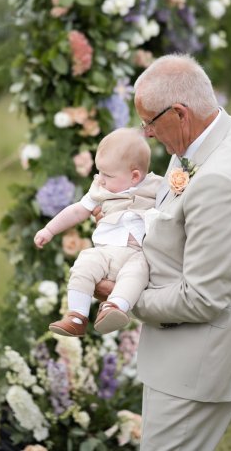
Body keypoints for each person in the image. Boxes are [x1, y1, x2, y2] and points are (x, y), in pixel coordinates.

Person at [95, 55, 231, 451]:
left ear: (179, 113)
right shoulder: (212, 134)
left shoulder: (219, 179)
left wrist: (121, 297)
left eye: (150, 121)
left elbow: (204, 298)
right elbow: (176, 210)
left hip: (197, 359)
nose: (146, 133)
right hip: (183, 352)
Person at [34, 127, 162, 337]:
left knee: (137, 274)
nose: (100, 179)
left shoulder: (157, 186)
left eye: (107, 174)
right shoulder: (100, 190)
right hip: (105, 251)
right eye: (99, 171)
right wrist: (49, 229)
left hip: (136, 254)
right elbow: (77, 211)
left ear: (134, 176)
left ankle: (114, 308)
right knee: (84, 263)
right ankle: (76, 316)